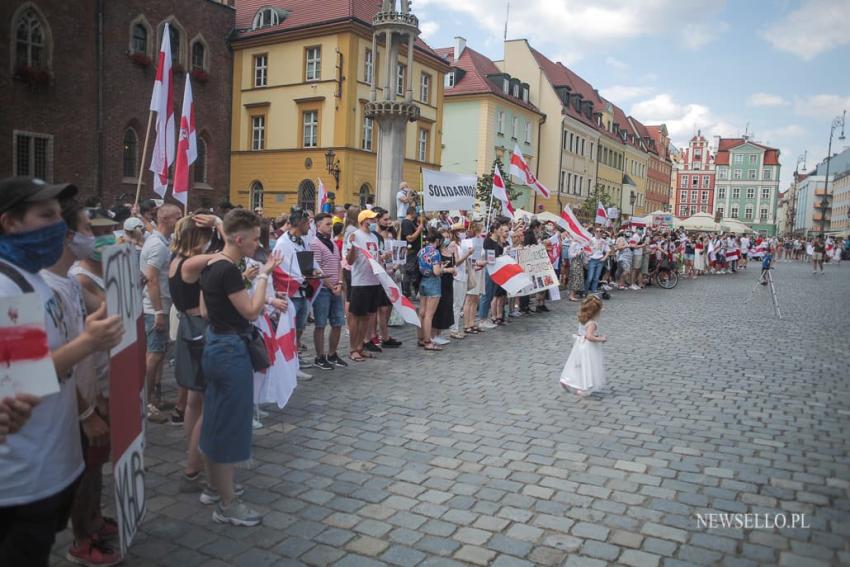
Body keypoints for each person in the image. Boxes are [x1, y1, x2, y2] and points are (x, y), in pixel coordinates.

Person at [0, 176, 123, 566]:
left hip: (50, 465)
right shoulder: (8, 286)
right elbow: (23, 379)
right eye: (46, 215)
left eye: (60, 216)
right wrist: (88, 342)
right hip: (21, 477)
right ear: (10, 222)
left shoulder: (34, 279)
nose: (59, 226)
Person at [199, 209, 281, 526]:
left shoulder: (213, 263)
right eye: (255, 238)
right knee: (231, 426)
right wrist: (263, 275)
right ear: (238, 238)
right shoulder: (230, 270)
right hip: (230, 349)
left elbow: (206, 311)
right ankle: (227, 504)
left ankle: (214, 486)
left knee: (215, 418)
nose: (257, 244)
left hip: (215, 343)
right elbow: (250, 311)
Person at [168, 214, 222, 496]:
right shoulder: (191, 263)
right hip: (200, 329)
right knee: (209, 401)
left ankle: (194, 453)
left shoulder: (175, 261)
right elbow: (228, 252)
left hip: (188, 329)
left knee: (193, 400)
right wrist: (218, 223)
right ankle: (193, 466)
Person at [140, 204, 182, 423]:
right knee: (153, 355)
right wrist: (157, 311)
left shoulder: (163, 242)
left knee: (160, 354)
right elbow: (152, 278)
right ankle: (146, 403)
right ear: (166, 219)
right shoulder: (157, 245)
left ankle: (155, 398)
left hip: (162, 305)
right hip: (154, 307)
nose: (180, 220)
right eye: (178, 217)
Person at [309, 213, 348, 370]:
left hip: (335, 288)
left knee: (338, 322)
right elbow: (316, 270)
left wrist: (339, 283)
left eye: (331, 224)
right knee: (320, 324)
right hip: (323, 289)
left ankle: (333, 353)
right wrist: (331, 286)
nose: (331, 227)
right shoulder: (315, 244)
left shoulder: (331, 242)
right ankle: (319, 356)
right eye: (327, 224)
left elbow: (338, 264)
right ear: (318, 225)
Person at [345, 209, 383, 362]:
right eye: (371, 219)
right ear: (363, 221)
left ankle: (361, 346)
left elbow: (375, 256)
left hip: (373, 281)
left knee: (367, 317)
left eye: (374, 219)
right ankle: (353, 349)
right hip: (360, 282)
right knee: (356, 317)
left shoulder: (374, 237)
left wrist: (383, 257)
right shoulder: (355, 236)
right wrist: (353, 247)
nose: (374, 222)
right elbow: (349, 261)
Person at [559, 296, 607, 397]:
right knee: (587, 366)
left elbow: (584, 333)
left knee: (576, 364)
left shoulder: (583, 319)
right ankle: (584, 387)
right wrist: (601, 339)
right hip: (588, 347)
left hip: (579, 345)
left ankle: (567, 379)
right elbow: (589, 336)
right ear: (596, 312)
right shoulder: (592, 323)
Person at [417, 230, 446, 351]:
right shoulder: (435, 253)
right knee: (429, 315)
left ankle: (421, 338)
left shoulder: (421, 251)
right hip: (433, 282)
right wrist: (442, 268)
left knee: (422, 312)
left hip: (423, 281)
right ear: (437, 240)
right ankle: (428, 341)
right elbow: (436, 271)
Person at [400, 206, 424, 297]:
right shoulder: (406, 223)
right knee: (409, 272)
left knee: (414, 272)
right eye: (416, 213)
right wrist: (418, 230)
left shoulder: (412, 223)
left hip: (416, 252)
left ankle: (412, 291)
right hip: (410, 252)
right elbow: (410, 238)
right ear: (412, 213)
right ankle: (407, 292)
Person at [584, 227, 609, 295]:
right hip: (592, 260)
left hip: (600, 260)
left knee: (596, 278)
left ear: (602, 233)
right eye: (597, 231)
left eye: (600, 231)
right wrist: (587, 257)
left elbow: (608, 251)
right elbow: (584, 248)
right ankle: (585, 291)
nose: (598, 232)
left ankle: (593, 291)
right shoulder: (591, 240)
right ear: (594, 232)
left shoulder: (603, 241)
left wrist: (604, 258)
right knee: (590, 277)